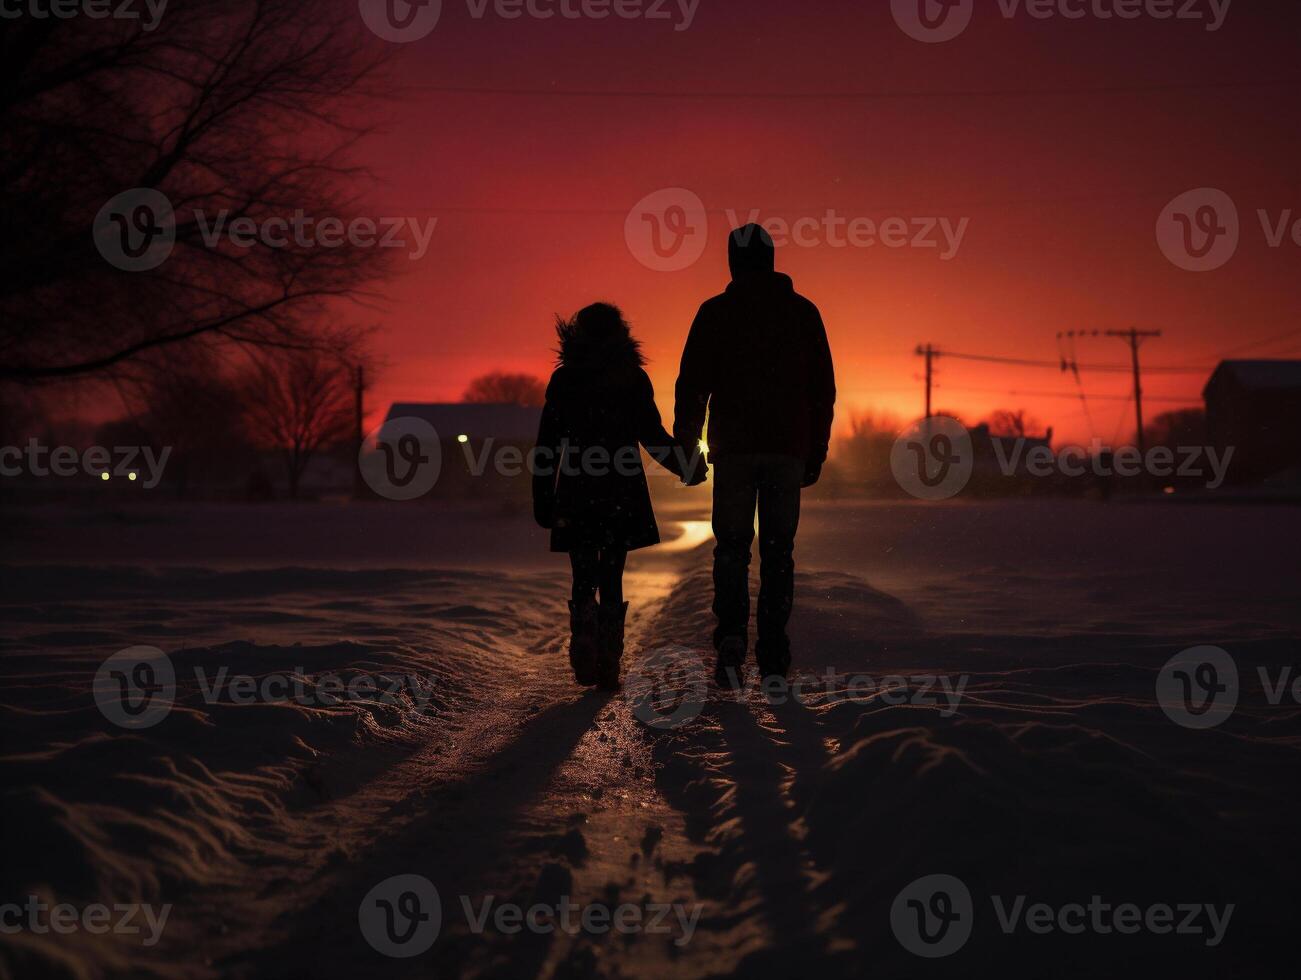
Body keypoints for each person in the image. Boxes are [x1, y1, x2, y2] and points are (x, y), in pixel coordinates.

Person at [674, 224, 836, 688]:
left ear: (732, 263)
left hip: (734, 451)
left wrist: (688, 445)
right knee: (778, 551)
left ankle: (730, 638)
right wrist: (815, 449)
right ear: (770, 259)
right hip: (786, 450)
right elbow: (822, 390)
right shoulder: (802, 313)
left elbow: (692, 385)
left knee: (731, 549)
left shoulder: (716, 313)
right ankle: (773, 648)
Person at [533, 303, 706, 690]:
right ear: (620, 333)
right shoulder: (631, 378)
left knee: (582, 574)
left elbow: (548, 444)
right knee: (612, 574)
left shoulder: (565, 380)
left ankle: (585, 646)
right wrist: (686, 465)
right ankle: (608, 656)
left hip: (577, 488)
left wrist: (542, 497)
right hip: (620, 488)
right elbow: (652, 436)